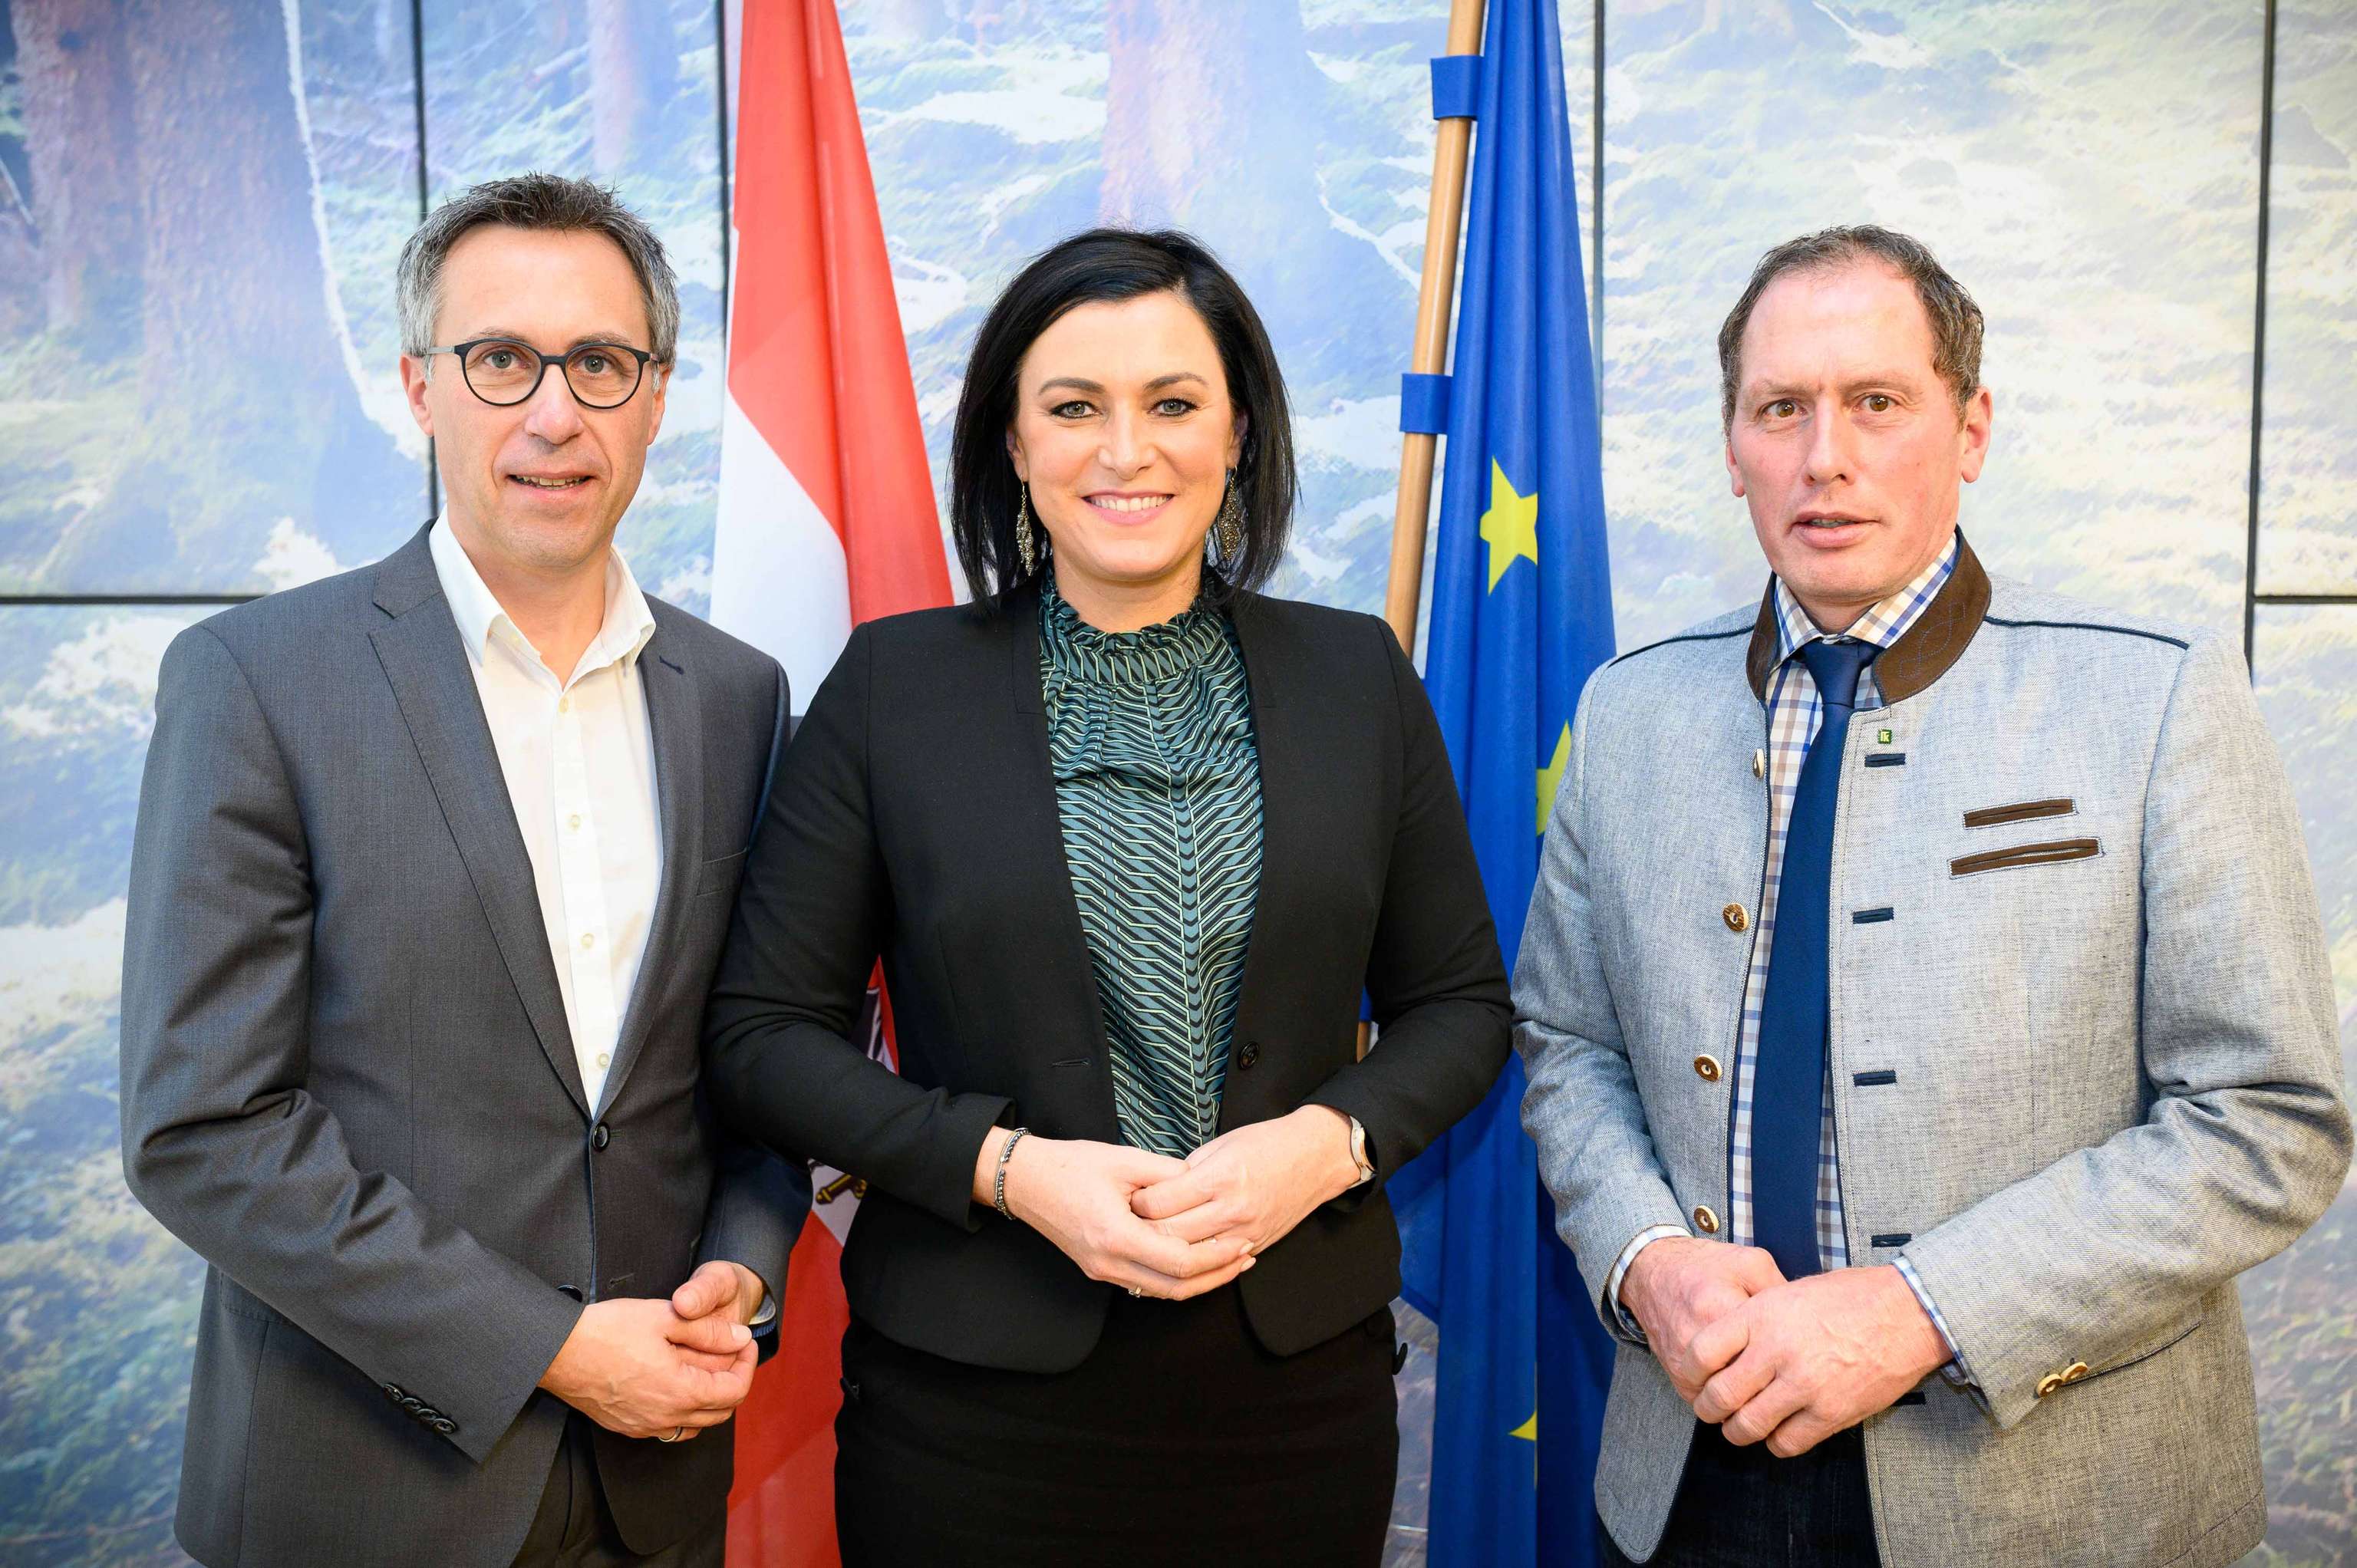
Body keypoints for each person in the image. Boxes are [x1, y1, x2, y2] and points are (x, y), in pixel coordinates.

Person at [1516, 225, 2351, 1567]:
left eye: (1877, 403)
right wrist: (1642, 1261)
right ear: (1734, 448)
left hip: (2055, 1501)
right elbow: (1566, 1044)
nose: (1824, 456)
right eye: (1781, 408)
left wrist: (1924, 1308)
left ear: (1970, 429)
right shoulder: (1631, 716)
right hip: (1684, 1485)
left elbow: (2272, 1120)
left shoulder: (2153, 698)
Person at [703, 227, 1511, 1566]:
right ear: (1013, 446)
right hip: (973, 1414)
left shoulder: (1355, 679)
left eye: (1173, 405)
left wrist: (1320, 1146)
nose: (1125, 451)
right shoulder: (893, 693)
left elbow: (1462, 1008)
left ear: (1239, 432)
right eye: (1074, 408)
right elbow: (760, 1039)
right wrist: (1010, 1171)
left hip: (1294, 1401)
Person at [120, 173, 808, 1568]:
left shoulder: (739, 696)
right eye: (501, 360)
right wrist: (547, 1346)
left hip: (656, 1485)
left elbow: (747, 1062)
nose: (555, 414)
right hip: (361, 1490)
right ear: (419, 387)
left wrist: (745, 1258)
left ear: (659, 394)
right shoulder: (256, 681)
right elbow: (203, 1127)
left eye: (601, 364)